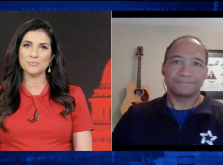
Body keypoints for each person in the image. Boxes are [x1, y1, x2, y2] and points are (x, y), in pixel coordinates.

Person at [0, 19, 94, 151]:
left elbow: (85, 158)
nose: (34, 54)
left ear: (52, 57)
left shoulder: (73, 96)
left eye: (43, 47)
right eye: (27, 45)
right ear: (17, 52)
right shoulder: (1, 96)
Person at [112, 35, 223, 146]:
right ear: (163, 69)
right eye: (177, 61)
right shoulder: (134, 117)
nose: (185, 72)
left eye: (196, 63)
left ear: (206, 73)